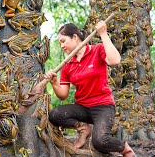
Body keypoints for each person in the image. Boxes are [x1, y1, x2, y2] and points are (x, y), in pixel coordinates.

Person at [44, 21, 136, 156]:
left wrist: (103, 34)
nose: (62, 46)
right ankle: (83, 129)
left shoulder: (97, 50)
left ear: (75, 37)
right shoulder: (68, 65)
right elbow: (63, 94)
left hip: (103, 107)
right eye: (60, 43)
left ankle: (125, 149)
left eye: (63, 41)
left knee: (100, 141)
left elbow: (115, 61)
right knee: (55, 115)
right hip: (82, 108)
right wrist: (54, 82)